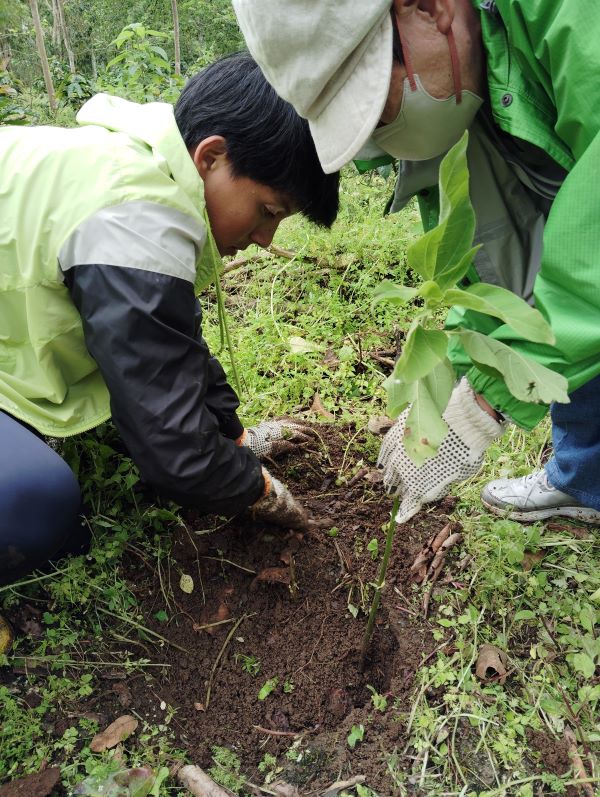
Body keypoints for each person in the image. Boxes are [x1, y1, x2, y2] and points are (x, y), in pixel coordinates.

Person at [233, 0, 600, 524]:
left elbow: (590, 254)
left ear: (429, 9)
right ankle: (586, 480)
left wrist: (485, 402)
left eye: (377, 111)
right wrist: (457, 377)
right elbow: (495, 260)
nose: (385, 138)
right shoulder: (465, 80)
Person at [0, 51, 340, 594]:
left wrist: (236, 436)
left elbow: (166, 345)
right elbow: (174, 450)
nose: (265, 239)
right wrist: (260, 491)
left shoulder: (139, 167)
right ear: (211, 157)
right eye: (268, 212)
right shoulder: (134, 219)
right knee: (34, 504)